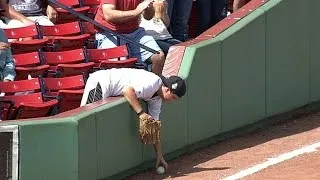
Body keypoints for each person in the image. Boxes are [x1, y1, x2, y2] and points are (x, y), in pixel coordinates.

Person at [80, 68, 187, 170]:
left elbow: (154, 128)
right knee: (86, 121)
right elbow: (127, 91)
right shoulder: (152, 83)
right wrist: (141, 114)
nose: (172, 101)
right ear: (167, 89)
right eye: (173, 98)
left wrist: (159, 155)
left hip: (112, 88)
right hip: (102, 82)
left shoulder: (157, 99)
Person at [94, 0, 166, 75]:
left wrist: (149, 7)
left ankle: (155, 85)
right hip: (109, 33)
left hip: (135, 32)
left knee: (159, 57)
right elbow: (108, 15)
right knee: (119, 65)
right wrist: (136, 11)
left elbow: (148, 17)